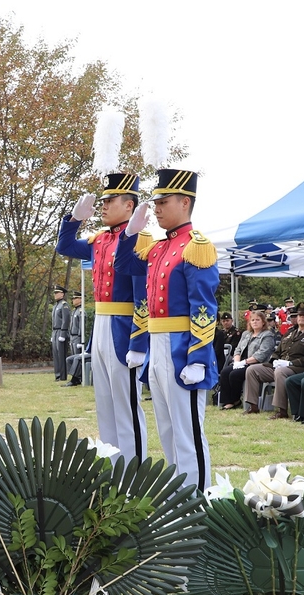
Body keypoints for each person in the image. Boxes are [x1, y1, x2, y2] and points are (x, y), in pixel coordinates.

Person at [115, 168, 219, 490]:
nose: (156, 208)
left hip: (181, 347)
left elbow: (204, 306)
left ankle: (198, 499)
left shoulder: (196, 246)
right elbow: (123, 266)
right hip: (157, 345)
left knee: (187, 432)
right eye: (155, 202)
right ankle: (178, 497)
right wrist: (130, 233)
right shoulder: (157, 248)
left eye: (164, 201)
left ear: (185, 203)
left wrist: (198, 357)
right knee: (167, 431)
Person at [56, 172, 149, 461]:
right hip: (101, 325)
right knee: (105, 403)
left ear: (129, 206)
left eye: (111, 201)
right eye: (103, 201)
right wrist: (73, 220)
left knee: (127, 406)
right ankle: (113, 467)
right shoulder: (100, 239)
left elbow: (141, 298)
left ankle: (134, 473)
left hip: (124, 327)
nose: (103, 206)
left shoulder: (140, 240)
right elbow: (65, 246)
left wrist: (139, 342)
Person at [244, 301, 304, 419]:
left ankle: (282, 410)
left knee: (280, 372)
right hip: (279, 367)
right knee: (252, 369)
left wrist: (290, 363)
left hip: (298, 369)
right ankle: (253, 406)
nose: (301, 318)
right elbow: (277, 351)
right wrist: (274, 360)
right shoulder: (290, 333)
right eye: (299, 315)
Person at [218, 310, 275, 410]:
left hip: (256, 364)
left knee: (234, 374)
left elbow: (261, 354)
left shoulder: (267, 335)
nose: (255, 322)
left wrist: (244, 362)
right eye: (252, 320)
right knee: (225, 372)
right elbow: (238, 349)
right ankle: (228, 401)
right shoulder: (246, 334)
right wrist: (236, 362)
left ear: (263, 322)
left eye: (258, 320)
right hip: (240, 362)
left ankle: (235, 400)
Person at [50, 285, 71, 381]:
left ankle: (62, 376)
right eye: (54, 293)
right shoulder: (56, 306)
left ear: (62, 294)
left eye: (57, 293)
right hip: (55, 331)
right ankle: (57, 374)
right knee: (55, 354)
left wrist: (63, 334)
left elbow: (65, 320)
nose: (55, 294)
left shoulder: (64, 305)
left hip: (61, 331)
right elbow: (54, 321)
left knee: (61, 354)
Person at [64, 291, 85, 386]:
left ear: (80, 299)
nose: (73, 300)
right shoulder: (75, 311)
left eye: (75, 298)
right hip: (73, 336)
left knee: (78, 358)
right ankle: (75, 377)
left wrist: (81, 339)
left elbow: (82, 326)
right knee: (73, 357)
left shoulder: (81, 311)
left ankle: (78, 377)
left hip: (77, 336)